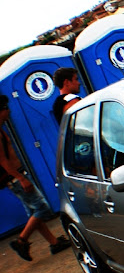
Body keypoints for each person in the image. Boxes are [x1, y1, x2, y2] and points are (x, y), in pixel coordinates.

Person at [0, 95, 71, 261]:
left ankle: (54, 243)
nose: (9, 112)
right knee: (42, 208)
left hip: (17, 176)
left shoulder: (2, 130)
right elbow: (3, 161)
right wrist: (21, 178)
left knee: (34, 212)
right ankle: (21, 241)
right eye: (6, 109)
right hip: (16, 178)